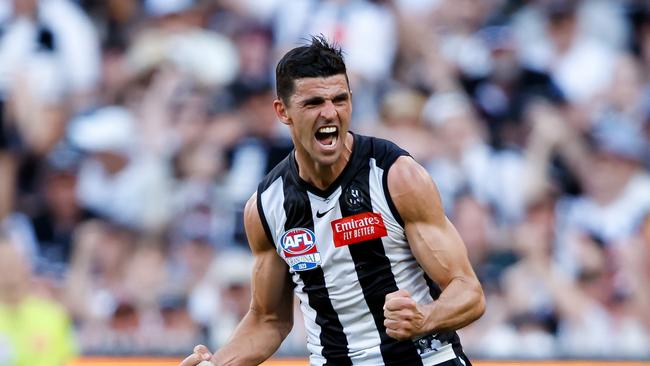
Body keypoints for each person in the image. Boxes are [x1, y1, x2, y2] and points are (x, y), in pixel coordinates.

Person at [180, 36, 485, 366]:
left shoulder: (395, 177)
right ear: (283, 111)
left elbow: (469, 292)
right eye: (313, 103)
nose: (330, 113)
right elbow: (269, 320)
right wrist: (216, 364)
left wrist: (425, 318)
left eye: (339, 100)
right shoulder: (266, 206)